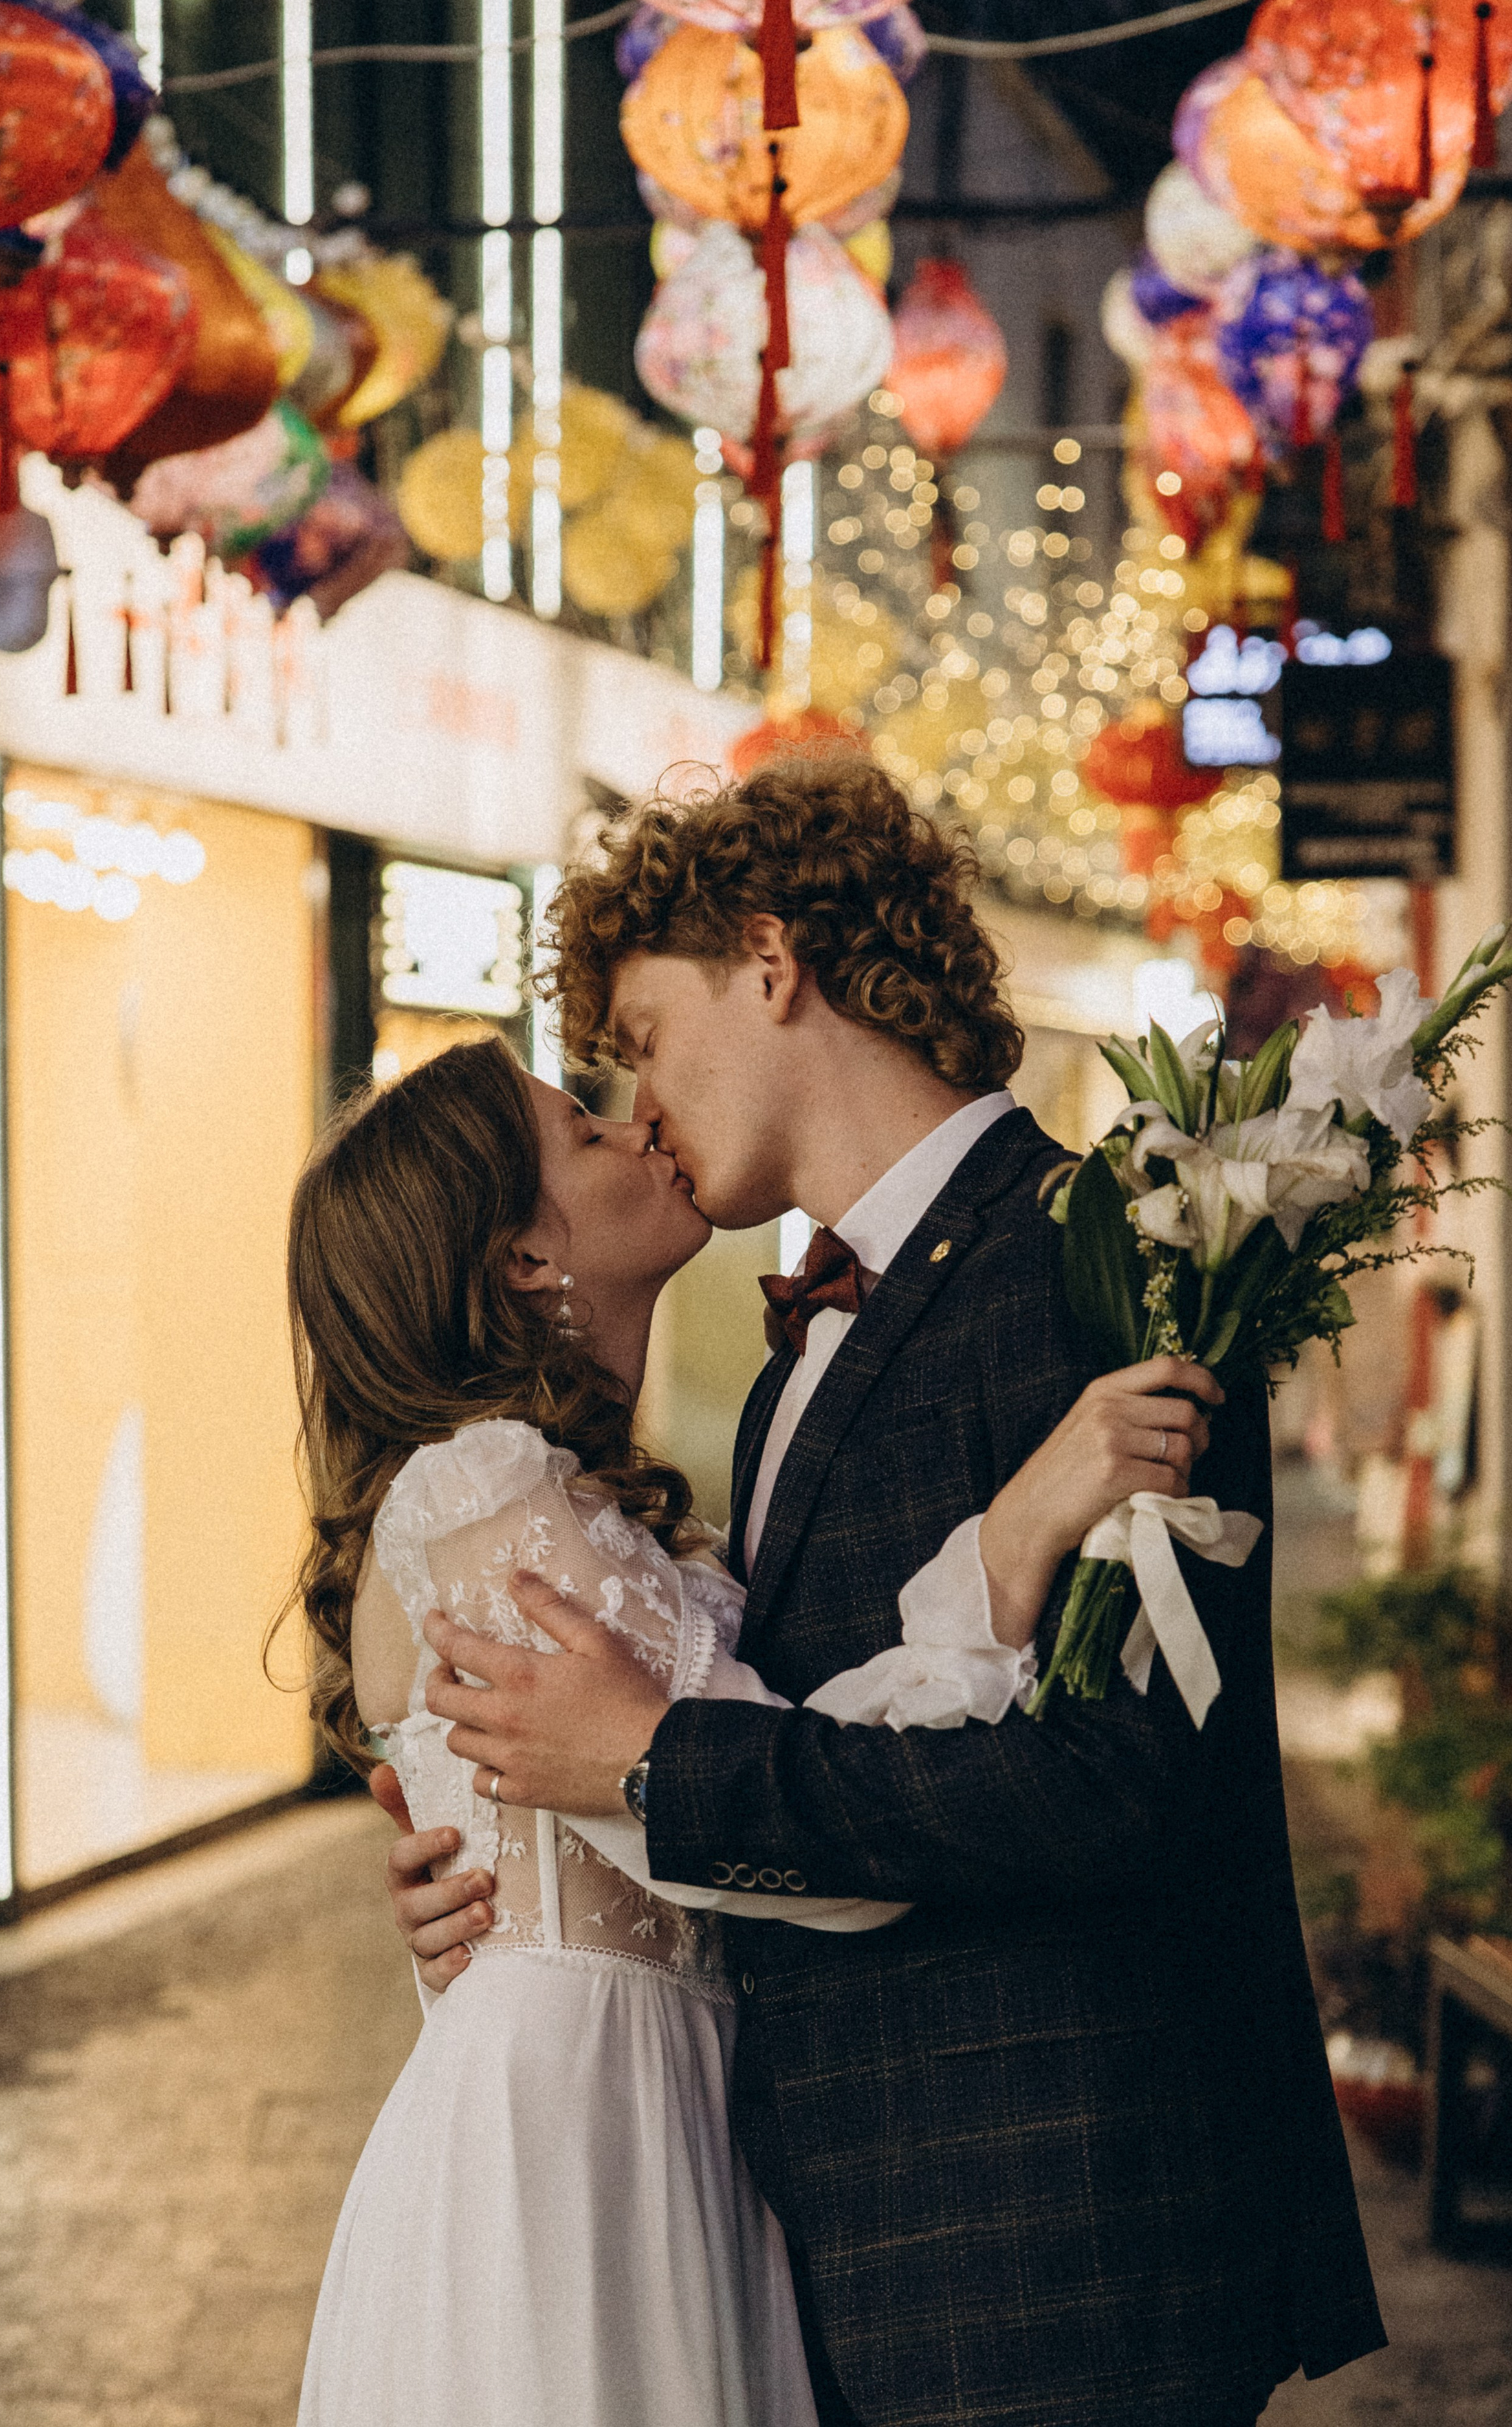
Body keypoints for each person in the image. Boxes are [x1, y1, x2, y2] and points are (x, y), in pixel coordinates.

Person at [389, 752, 1386, 2427]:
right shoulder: (792, 1370)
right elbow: (814, 1735)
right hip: (853, 2257)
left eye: (643, 1035)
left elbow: (1108, 1780)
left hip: (1056, 2255)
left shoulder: (1103, 1252)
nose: (641, 1113)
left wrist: (646, 1768)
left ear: (770, 963)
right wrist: (519, 1876)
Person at [289, 1029, 1208, 2427]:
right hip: (579, 2137)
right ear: (522, 1259)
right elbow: (754, 1805)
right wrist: (1010, 1542)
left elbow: (704, 1768)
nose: (635, 1126)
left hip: (665, 2104)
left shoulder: (561, 1490)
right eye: (584, 1133)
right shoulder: (483, 1490)